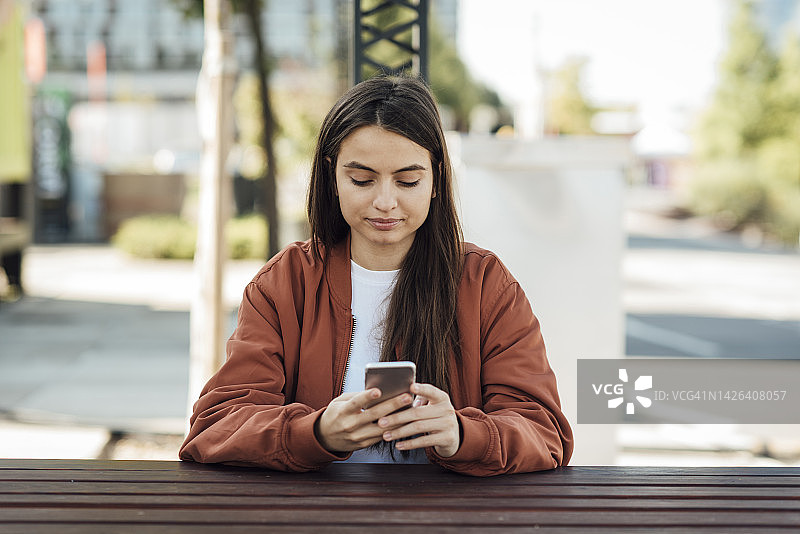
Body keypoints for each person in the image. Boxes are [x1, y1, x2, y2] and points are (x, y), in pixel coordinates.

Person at [180, 75, 573, 476]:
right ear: (333, 176)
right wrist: (315, 432)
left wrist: (461, 433)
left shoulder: (484, 284)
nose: (385, 202)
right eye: (362, 180)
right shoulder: (287, 282)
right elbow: (215, 426)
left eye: (408, 181)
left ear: (436, 179)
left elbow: (544, 431)